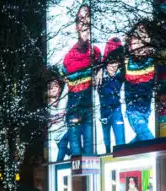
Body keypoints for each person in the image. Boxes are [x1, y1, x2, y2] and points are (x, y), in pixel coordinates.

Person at [62, 4, 100, 156]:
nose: (84, 22)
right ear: (76, 26)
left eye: (87, 17)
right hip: (73, 110)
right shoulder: (68, 58)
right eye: (80, 19)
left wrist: (100, 69)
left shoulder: (96, 53)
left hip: (90, 110)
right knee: (77, 157)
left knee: (90, 154)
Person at [125, 21, 155, 143]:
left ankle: (122, 155)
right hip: (133, 111)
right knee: (149, 141)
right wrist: (101, 69)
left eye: (143, 37)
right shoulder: (126, 60)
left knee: (140, 142)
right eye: (136, 38)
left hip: (146, 111)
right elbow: (111, 59)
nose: (139, 43)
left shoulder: (153, 60)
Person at [96, 38, 125, 153]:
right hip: (104, 113)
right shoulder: (99, 75)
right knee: (106, 145)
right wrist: (100, 69)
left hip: (116, 110)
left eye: (116, 62)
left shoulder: (121, 73)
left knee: (121, 143)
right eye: (111, 62)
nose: (114, 65)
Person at [48, 66, 70, 161]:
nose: (53, 89)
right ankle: (81, 154)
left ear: (59, 88)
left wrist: (66, 81)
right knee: (68, 151)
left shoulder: (62, 101)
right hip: (54, 136)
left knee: (62, 150)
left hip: (64, 132)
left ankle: (58, 163)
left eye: (55, 87)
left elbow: (66, 89)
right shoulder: (46, 107)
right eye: (50, 88)